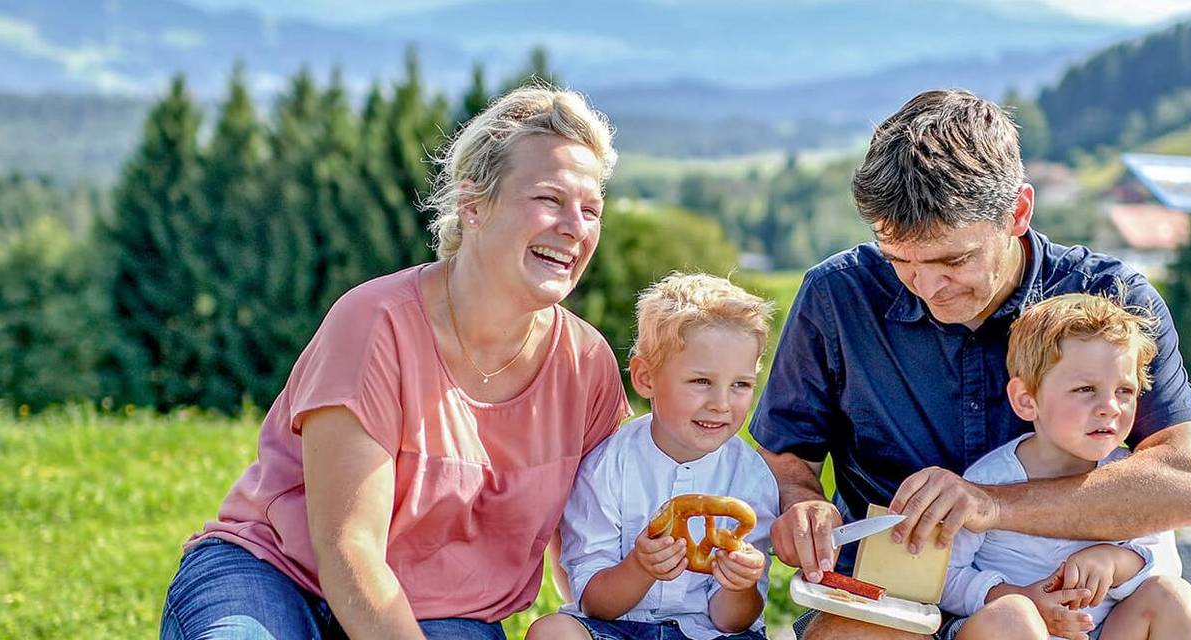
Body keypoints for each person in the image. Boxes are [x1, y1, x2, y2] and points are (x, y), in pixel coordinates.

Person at [750, 89, 1191, 639]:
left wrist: (990, 505)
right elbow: (786, 456)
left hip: (1085, 612)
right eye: (899, 260)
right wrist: (802, 504)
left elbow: (1190, 487)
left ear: (1018, 213)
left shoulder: (1111, 300)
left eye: (954, 260)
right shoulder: (838, 295)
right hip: (890, 601)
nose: (927, 285)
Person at [160, 85, 631, 640]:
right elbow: (349, 548)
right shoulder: (374, 322)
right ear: (473, 205)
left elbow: (601, 542)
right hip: (277, 576)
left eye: (591, 209)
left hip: (446, 612)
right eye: (550, 199)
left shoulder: (586, 365)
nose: (575, 226)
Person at [527, 273, 779, 640]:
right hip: (618, 628)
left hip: (710, 633)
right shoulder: (607, 467)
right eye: (701, 382)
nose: (721, 404)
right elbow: (594, 603)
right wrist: (639, 568)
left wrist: (740, 584)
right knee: (551, 631)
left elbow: (732, 621)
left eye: (740, 385)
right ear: (646, 378)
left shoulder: (751, 477)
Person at [941, 293, 1191, 640]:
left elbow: (1166, 562)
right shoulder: (989, 482)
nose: (1110, 406)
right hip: (1012, 630)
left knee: (1174, 598)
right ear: (1026, 400)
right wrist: (1016, 596)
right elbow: (946, 576)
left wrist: (1113, 561)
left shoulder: (1131, 476)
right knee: (1012, 616)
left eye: (1125, 391)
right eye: (1086, 389)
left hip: (1101, 630)